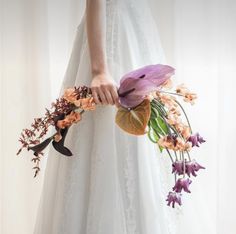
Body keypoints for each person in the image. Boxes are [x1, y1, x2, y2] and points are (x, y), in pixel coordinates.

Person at [33, 0, 177, 233]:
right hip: (111, 37)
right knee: (103, 135)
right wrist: (99, 69)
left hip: (134, 32)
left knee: (139, 148)